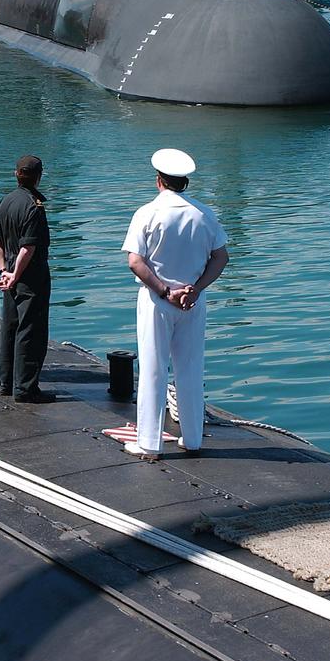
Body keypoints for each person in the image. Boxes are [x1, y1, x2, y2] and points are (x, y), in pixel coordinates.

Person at [122, 149, 229, 460]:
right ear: (185, 182)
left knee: (154, 368)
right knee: (191, 368)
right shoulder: (205, 214)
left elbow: (135, 262)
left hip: (158, 301)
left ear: (159, 181)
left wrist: (165, 291)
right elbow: (220, 257)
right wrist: (194, 289)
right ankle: (193, 439)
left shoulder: (147, 213)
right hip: (193, 302)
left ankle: (149, 443)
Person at [0, 155, 54, 404]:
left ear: (16, 174)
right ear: (38, 176)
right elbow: (28, 248)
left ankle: (6, 382)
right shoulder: (34, 206)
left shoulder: (5, 201)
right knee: (30, 330)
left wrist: (4, 271)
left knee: (10, 327)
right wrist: (16, 273)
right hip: (30, 276)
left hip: (8, 275)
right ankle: (26, 388)